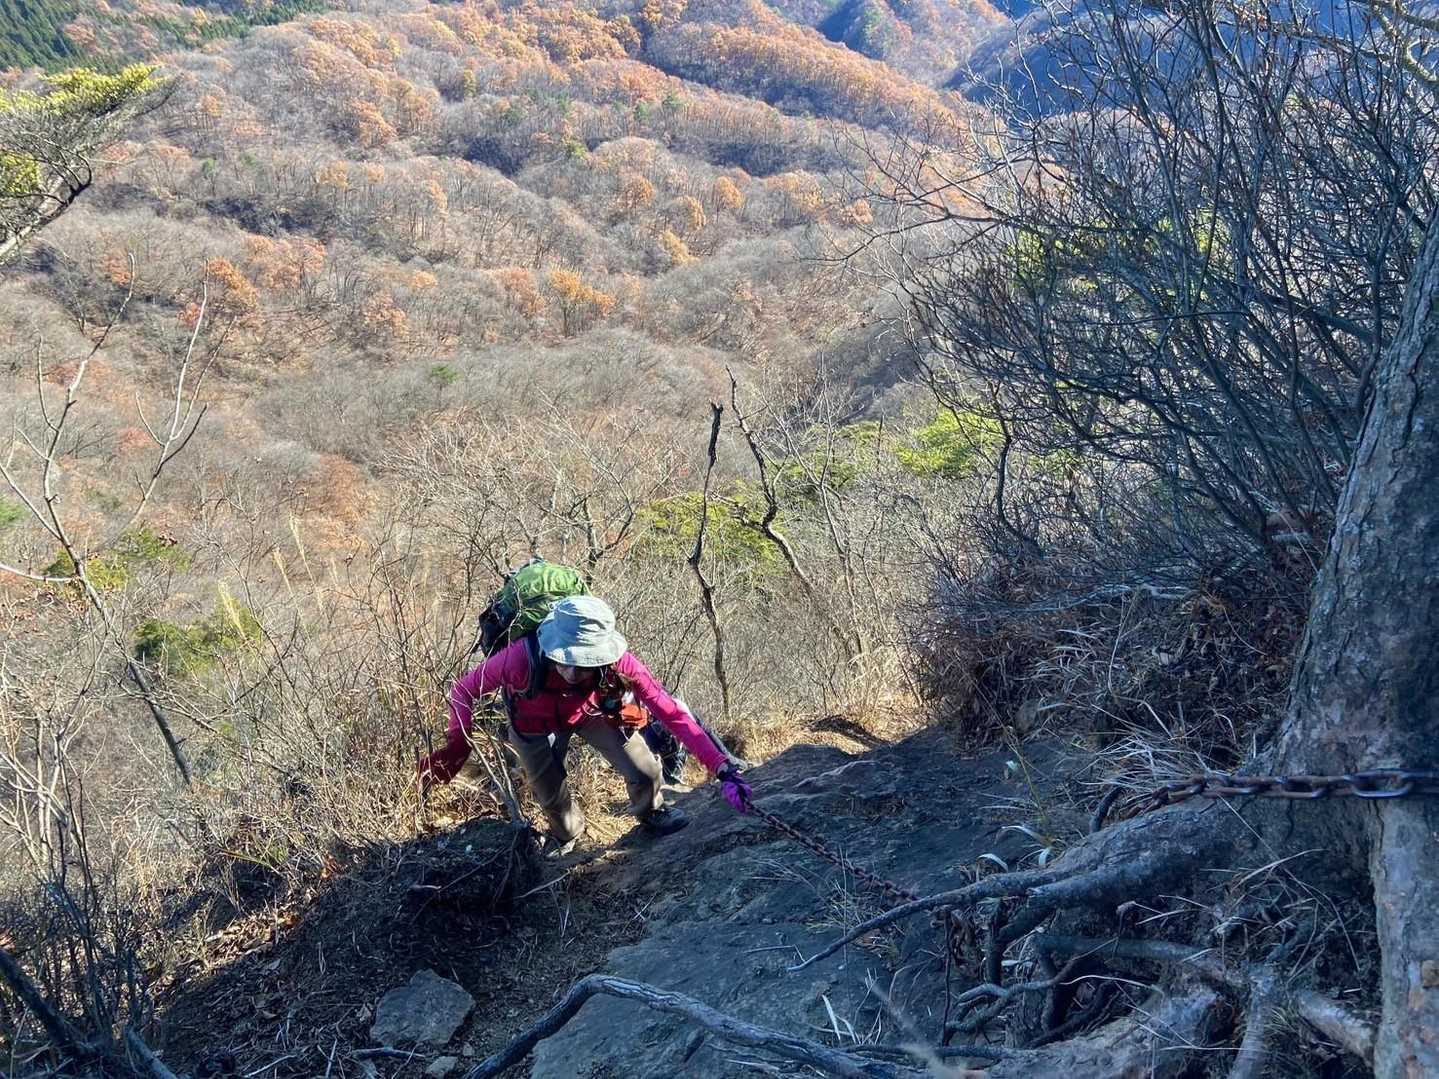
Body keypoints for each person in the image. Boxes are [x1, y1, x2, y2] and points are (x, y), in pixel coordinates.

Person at [420, 595, 754, 854]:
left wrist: (721, 767)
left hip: (589, 713)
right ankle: (568, 836)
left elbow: (670, 711)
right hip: (531, 723)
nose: (572, 672)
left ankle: (651, 810)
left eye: (584, 664)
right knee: (554, 802)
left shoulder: (620, 663)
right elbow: (463, 690)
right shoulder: (519, 659)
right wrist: (457, 744)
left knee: (646, 772)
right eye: (565, 660)